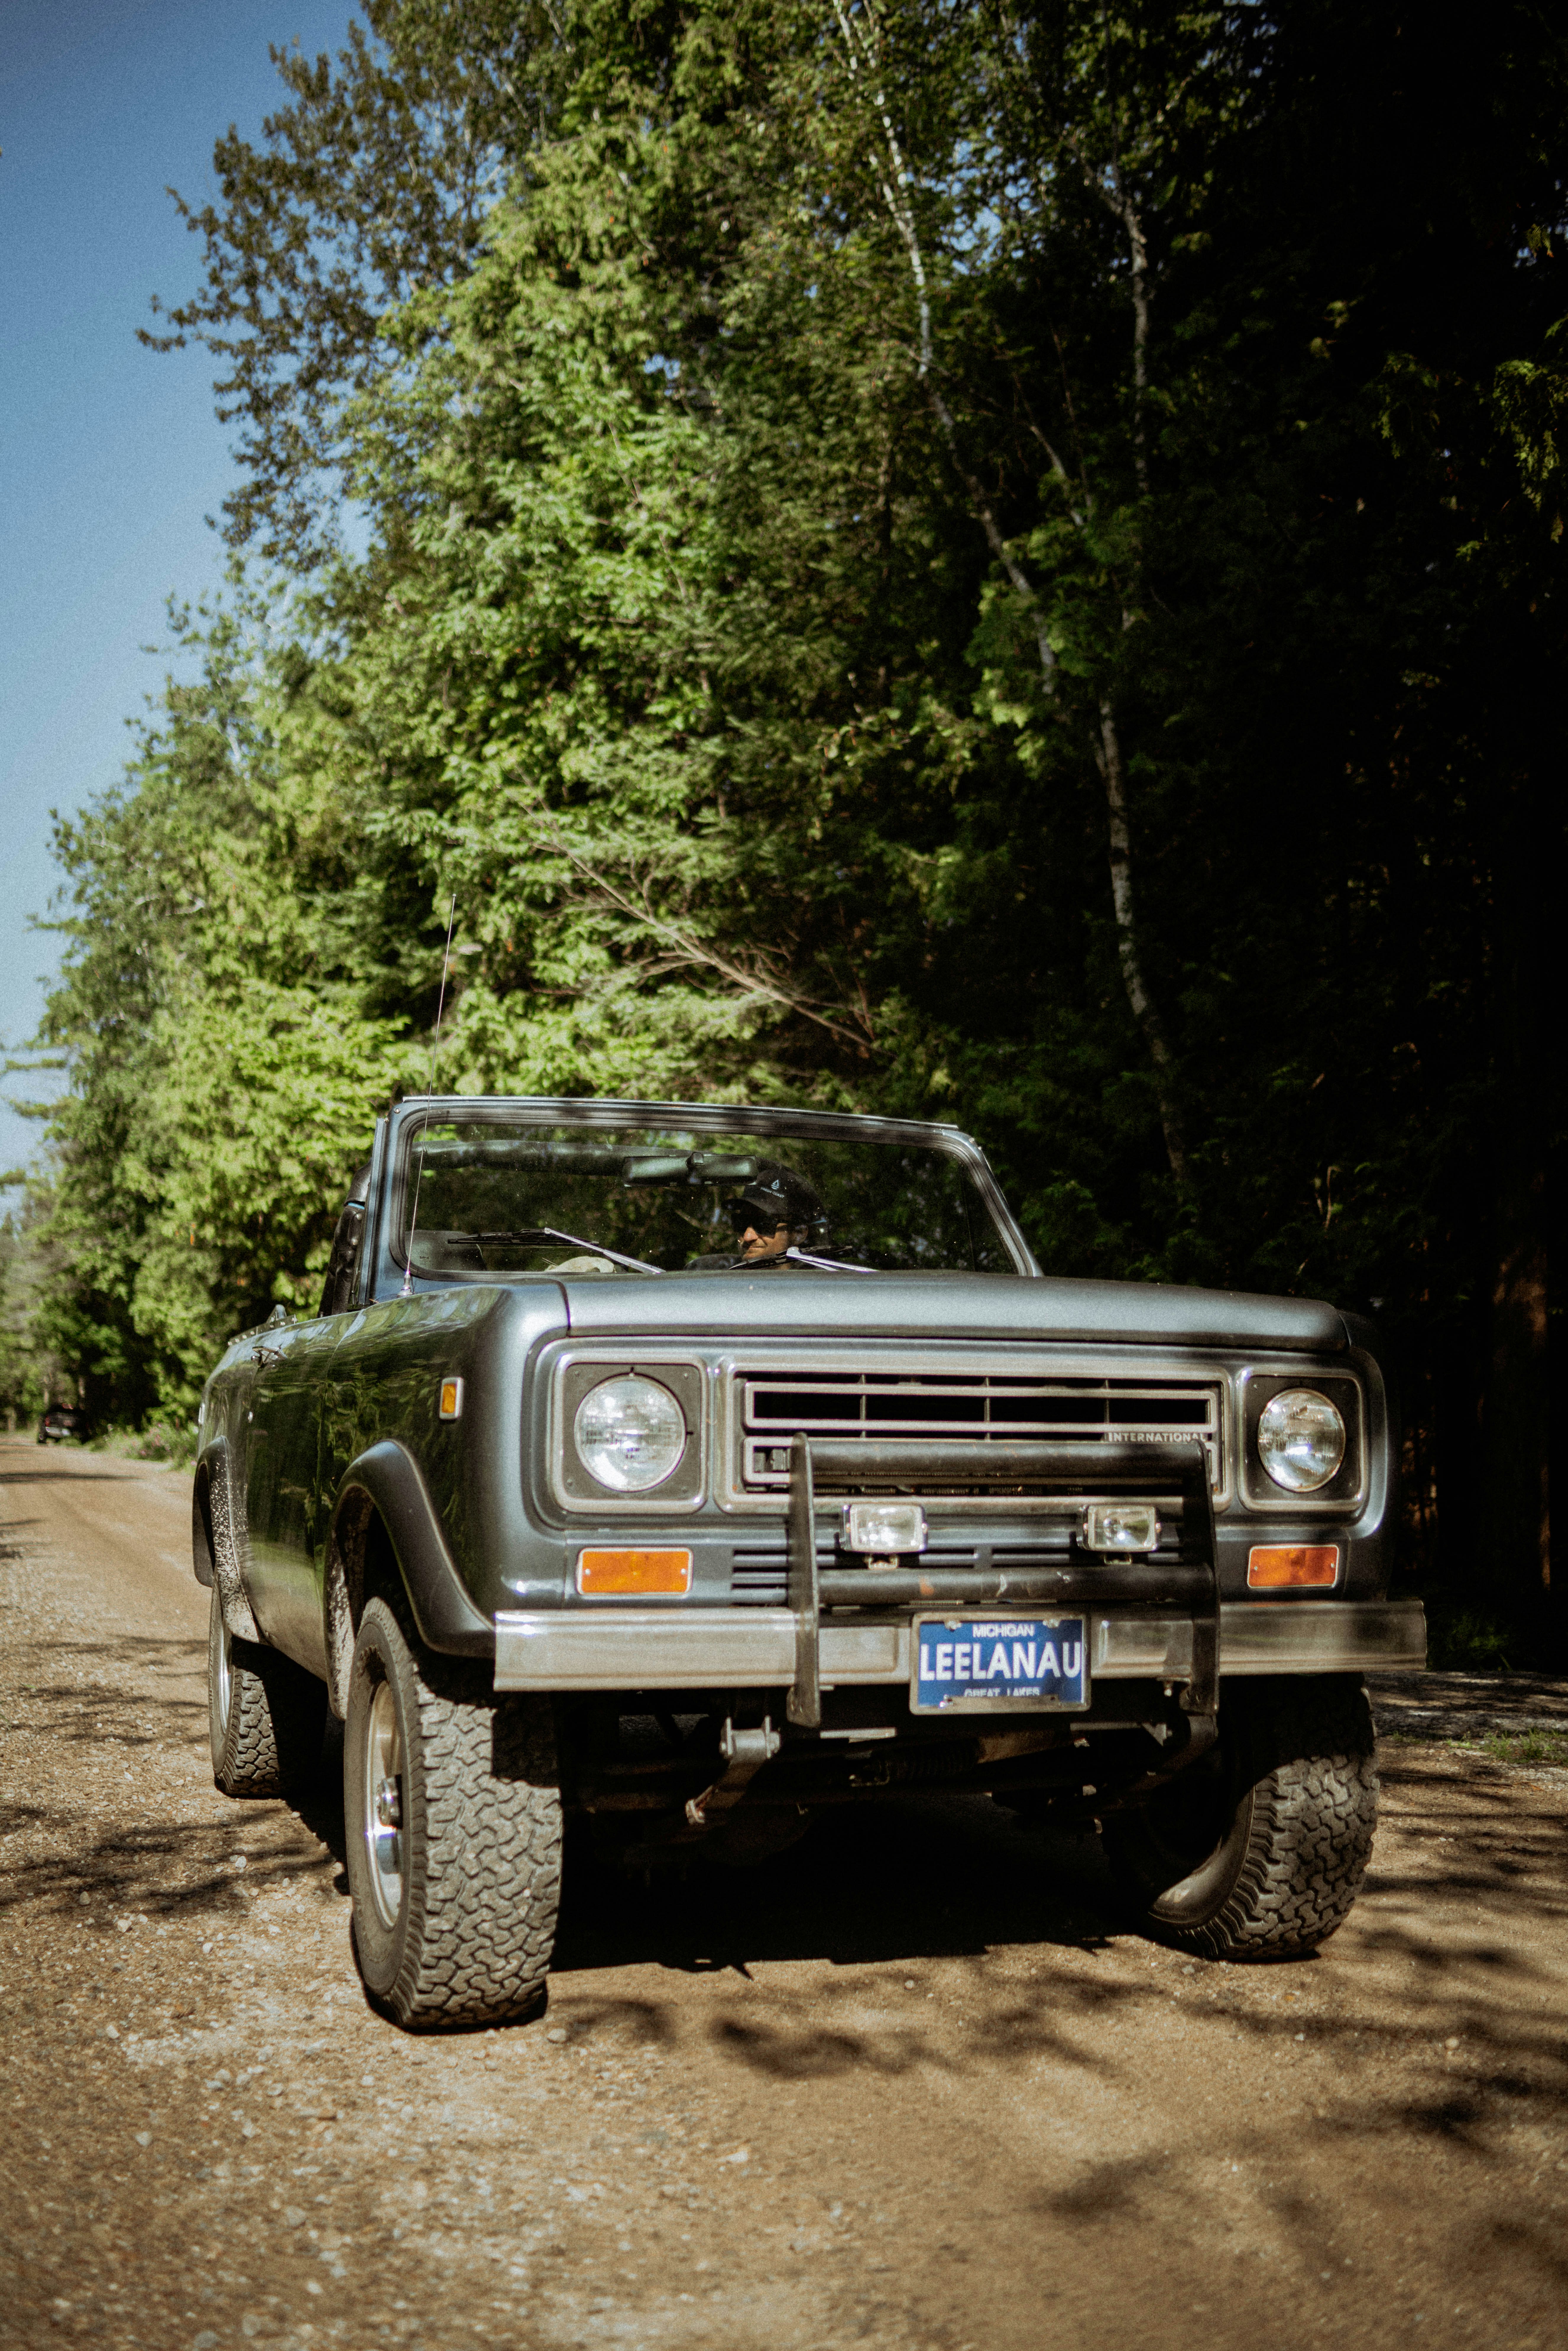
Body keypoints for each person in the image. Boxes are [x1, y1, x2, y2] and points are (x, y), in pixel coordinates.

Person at [689, 1161, 827, 1269]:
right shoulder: (710, 1275)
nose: (748, 1237)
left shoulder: (818, 1290)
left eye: (765, 1225)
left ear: (799, 1233)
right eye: (742, 1223)